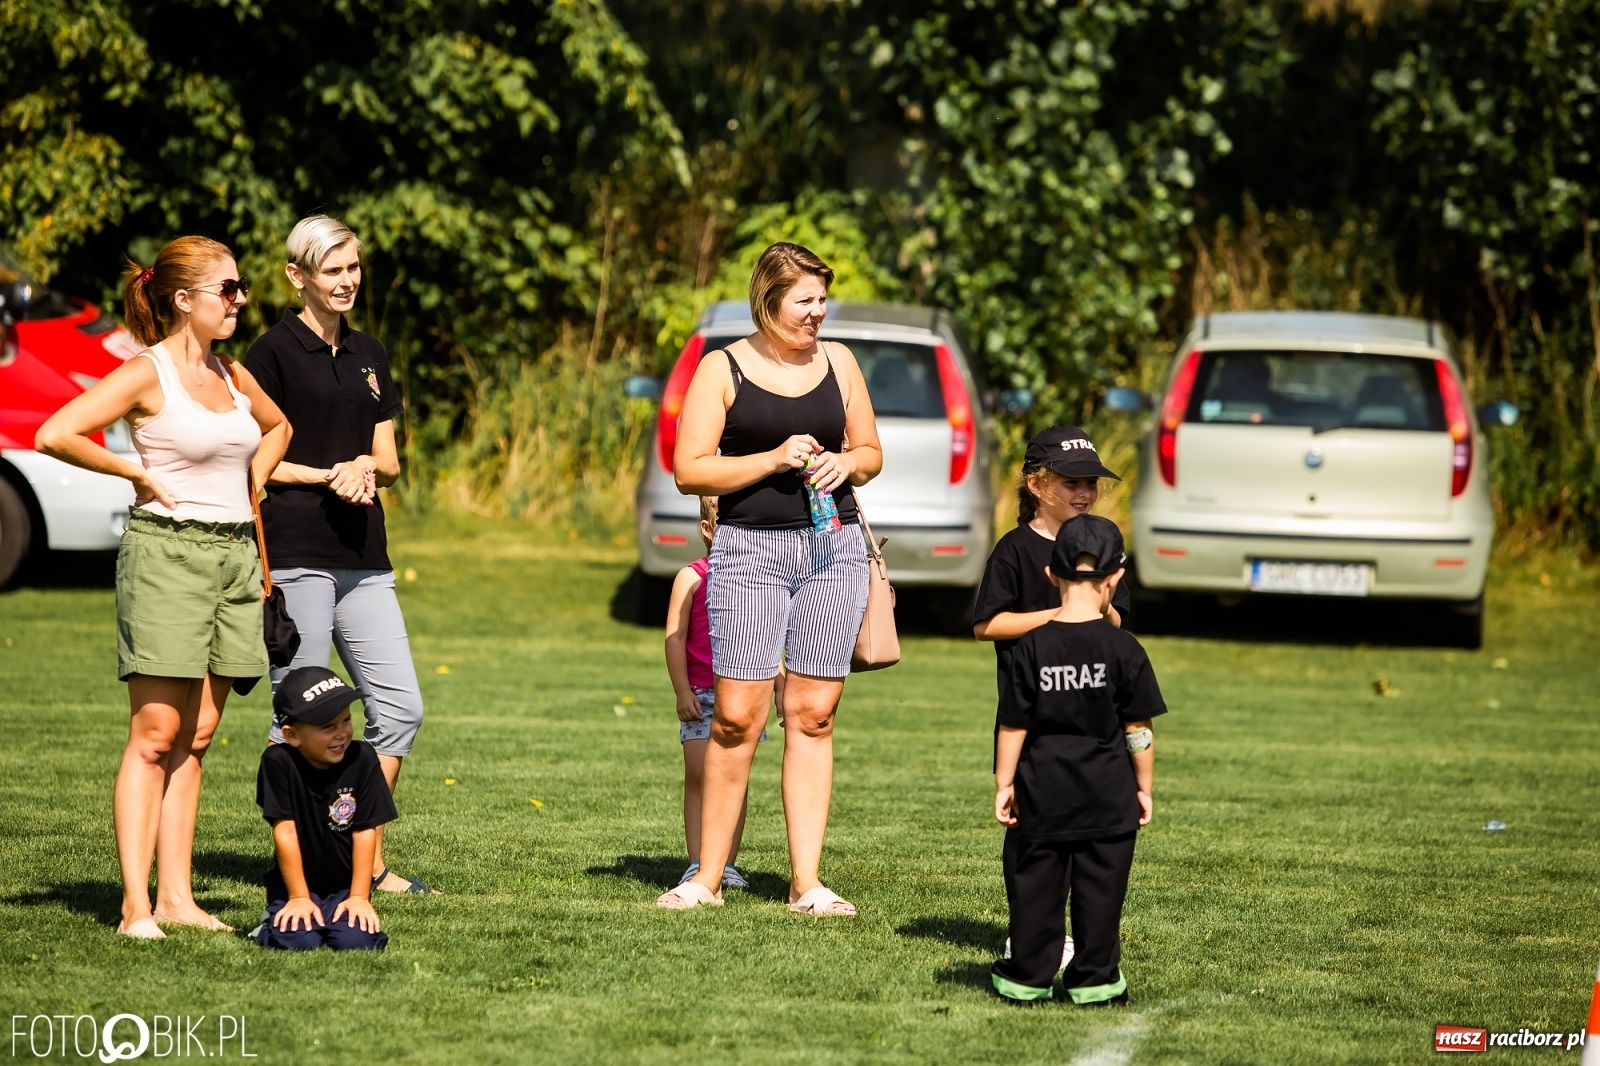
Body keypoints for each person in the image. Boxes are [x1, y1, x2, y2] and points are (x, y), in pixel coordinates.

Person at [35, 237, 291, 938]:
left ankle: (178, 899)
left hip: (234, 559)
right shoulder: (147, 372)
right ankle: (135, 906)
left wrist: (257, 477)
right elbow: (58, 433)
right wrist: (135, 476)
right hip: (167, 557)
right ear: (184, 300)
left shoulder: (233, 374)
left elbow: (279, 426)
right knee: (155, 734)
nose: (240, 300)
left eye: (241, 289)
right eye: (228, 290)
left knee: (200, 735)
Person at [657, 242, 882, 913]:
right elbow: (690, 470)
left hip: (830, 551)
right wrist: (773, 458)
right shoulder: (721, 368)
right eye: (805, 300)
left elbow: (870, 452)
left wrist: (848, 464)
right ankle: (706, 878)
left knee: (813, 715)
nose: (817, 312)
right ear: (769, 299)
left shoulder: (839, 363)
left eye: (821, 300)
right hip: (748, 551)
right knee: (735, 718)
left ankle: (806, 883)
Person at [244, 214, 431, 896]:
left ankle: (361, 854)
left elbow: (390, 458)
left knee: (401, 707)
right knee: (296, 712)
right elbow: (256, 459)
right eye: (333, 270)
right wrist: (328, 474)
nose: (348, 281)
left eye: (354, 268)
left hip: (366, 555)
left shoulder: (371, 351)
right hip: (297, 550)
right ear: (299, 276)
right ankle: (298, 864)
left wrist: (363, 466)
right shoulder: (270, 353)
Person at [990, 514, 1164, 1006]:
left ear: (1051, 575)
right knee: (1101, 898)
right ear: (1115, 577)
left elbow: (1013, 725)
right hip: (1108, 799)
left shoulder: (1030, 648)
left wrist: (1005, 783)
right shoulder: (1124, 649)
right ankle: (1096, 981)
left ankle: (1027, 978)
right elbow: (1138, 731)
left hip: (1040, 796)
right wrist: (1143, 787)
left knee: (1037, 895)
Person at [255, 666, 394, 951]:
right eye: (327, 727)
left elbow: (365, 831)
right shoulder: (277, 762)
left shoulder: (363, 759)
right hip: (294, 883)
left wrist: (358, 896)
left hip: (345, 886)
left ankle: (341, 910)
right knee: (298, 940)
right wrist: (297, 898)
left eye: (345, 720)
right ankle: (271, 920)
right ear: (292, 735)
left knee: (356, 941)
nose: (341, 733)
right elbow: (286, 833)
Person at [663, 496, 764, 890]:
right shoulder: (691, 578)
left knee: (733, 777)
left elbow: (764, 642)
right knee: (699, 777)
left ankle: (726, 863)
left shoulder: (758, 583)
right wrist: (682, 691)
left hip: (741, 690)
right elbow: (675, 638)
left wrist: (777, 685)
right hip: (701, 694)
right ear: (708, 530)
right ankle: (698, 861)